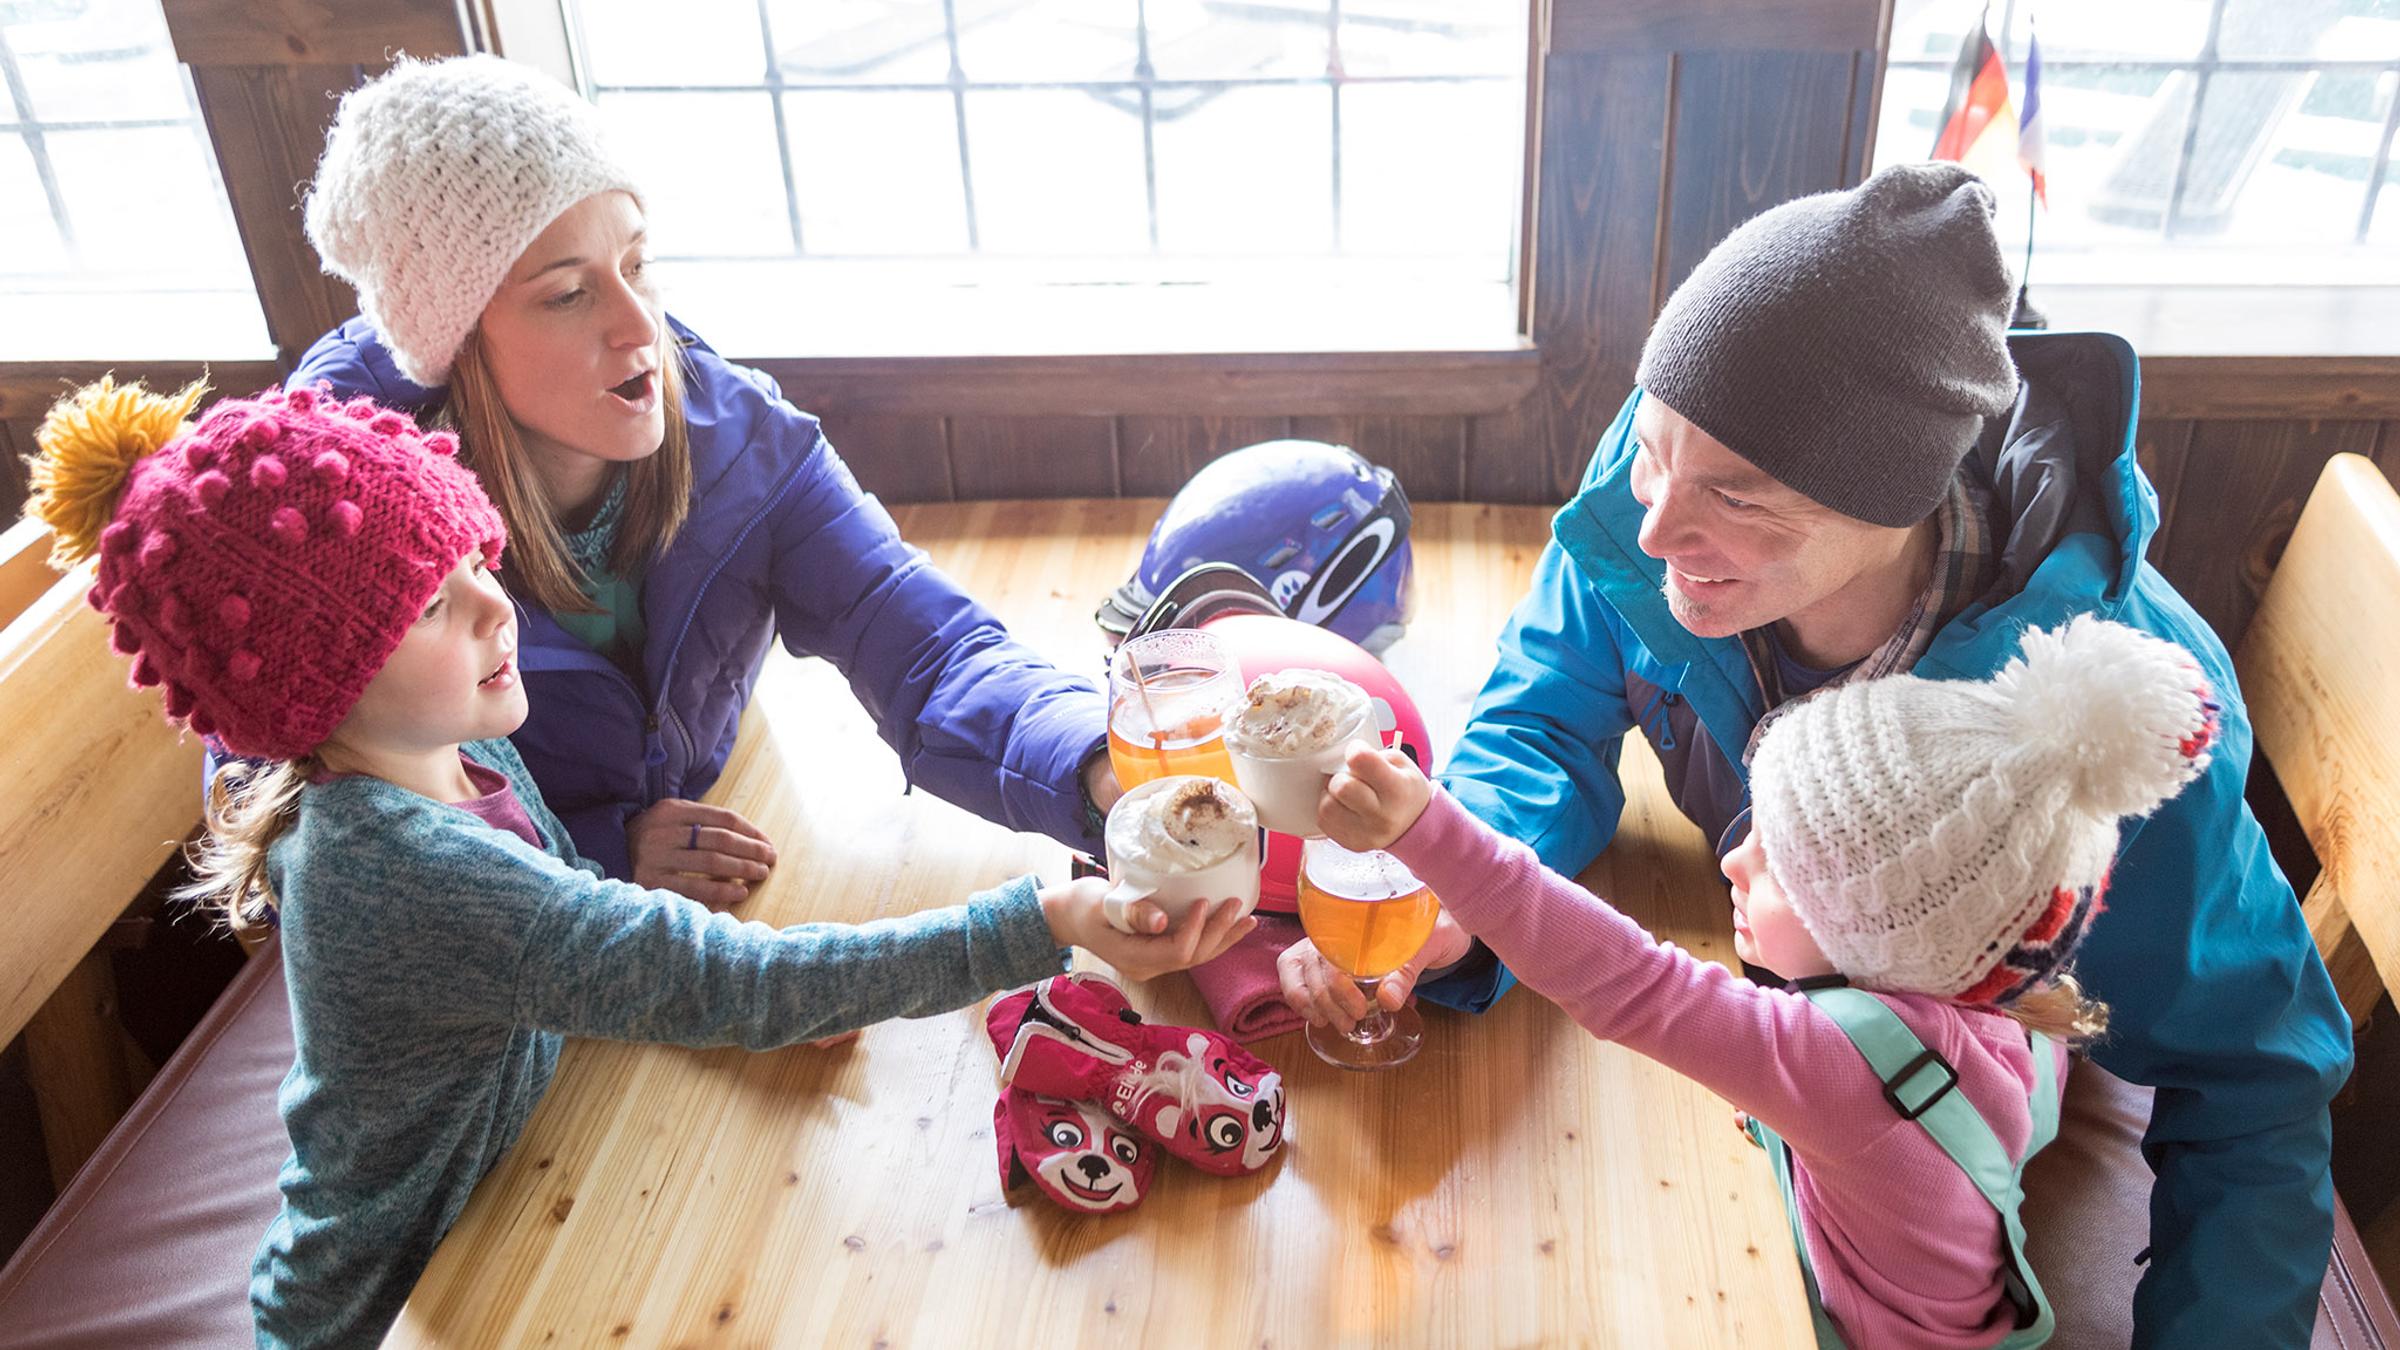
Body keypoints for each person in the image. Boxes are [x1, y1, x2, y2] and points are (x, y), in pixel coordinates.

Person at [1277, 162, 2353, 1346]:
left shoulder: (2104, 725)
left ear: (1900, 501)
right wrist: (1461, 901)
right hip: (1780, 1108)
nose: (1652, 527)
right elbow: (1540, 716)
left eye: (1737, 498)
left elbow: (2254, 1085)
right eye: (1653, 446)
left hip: (1967, 1150)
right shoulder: (1679, 468)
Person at [24, 378, 1251, 1349]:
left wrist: (724, 1003)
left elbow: (592, 945)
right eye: (438, 609)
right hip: (388, 1308)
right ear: (321, 680)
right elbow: (711, 977)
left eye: (476, 569)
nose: (498, 611)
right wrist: (1045, 915)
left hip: (497, 1213)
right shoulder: (393, 865)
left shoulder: (455, 764)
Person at [281, 54, 1120, 902]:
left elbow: (930, 650)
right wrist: (595, 850)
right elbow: (284, 815)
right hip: (506, 970)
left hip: (714, 875)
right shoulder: (324, 504)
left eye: (637, 265)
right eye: (569, 294)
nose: (640, 323)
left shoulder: (742, 439)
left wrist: (1102, 770)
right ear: (454, 340)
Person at [1317, 616, 2219, 1347]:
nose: (1731, 857)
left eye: (1779, 859)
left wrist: (1429, 830)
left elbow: (1627, 980)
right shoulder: (1988, 991)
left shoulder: (1839, 1065)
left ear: (1878, 930)